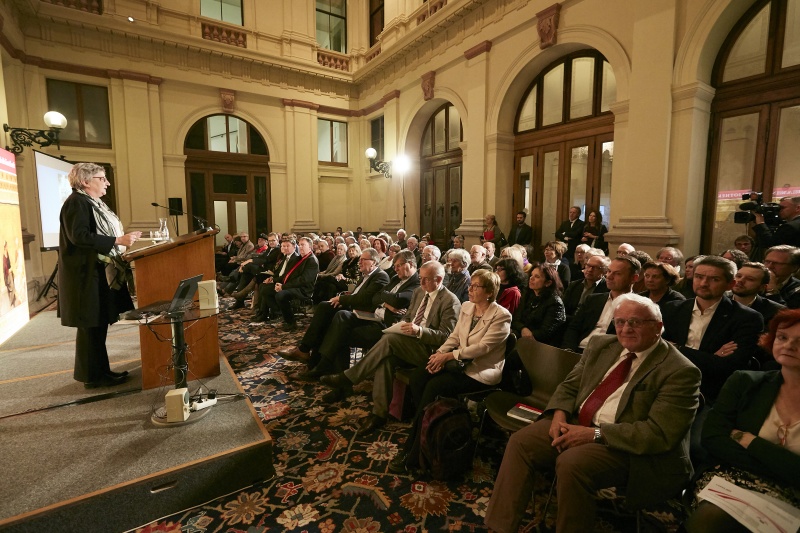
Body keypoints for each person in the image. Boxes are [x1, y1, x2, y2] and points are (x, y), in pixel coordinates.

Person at [485, 294, 702, 533]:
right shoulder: (602, 345)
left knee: (572, 463)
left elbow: (658, 434)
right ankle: (500, 526)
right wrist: (559, 414)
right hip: (579, 422)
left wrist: (594, 434)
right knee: (521, 441)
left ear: (658, 327)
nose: (625, 329)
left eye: (635, 322)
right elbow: (569, 386)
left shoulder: (680, 371)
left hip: (627, 445)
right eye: (620, 321)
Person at [682, 308, 800, 532]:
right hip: (731, 478)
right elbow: (713, 438)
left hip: (792, 495)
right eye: (783, 337)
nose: (788, 346)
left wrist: (752, 442)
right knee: (713, 517)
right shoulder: (746, 382)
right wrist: (784, 465)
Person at [389, 269, 512, 472]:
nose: (469, 289)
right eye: (470, 284)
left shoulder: (501, 316)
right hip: (459, 363)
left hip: (480, 371)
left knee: (434, 387)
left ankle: (412, 451)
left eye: (475, 286)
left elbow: (482, 348)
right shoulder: (467, 307)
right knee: (420, 376)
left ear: (489, 292)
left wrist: (449, 356)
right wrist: (438, 354)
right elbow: (454, 337)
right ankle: (429, 424)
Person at [319, 261, 461, 435]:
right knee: (384, 359)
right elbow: (408, 316)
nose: (421, 283)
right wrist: (402, 325)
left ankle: (350, 377)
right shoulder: (419, 292)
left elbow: (446, 337)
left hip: (430, 350)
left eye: (425, 280)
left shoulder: (450, 301)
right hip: (408, 342)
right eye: (420, 278)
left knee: (389, 340)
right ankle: (378, 414)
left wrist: (420, 331)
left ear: (438, 279)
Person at [58, 163, 141, 389]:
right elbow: (79, 236)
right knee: (90, 327)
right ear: (86, 181)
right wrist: (117, 241)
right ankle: (93, 377)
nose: (107, 182)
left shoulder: (91, 203)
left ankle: (100, 371)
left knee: (97, 326)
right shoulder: (77, 203)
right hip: (85, 277)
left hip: (96, 273)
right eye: (102, 178)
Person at [278, 247, 390, 377]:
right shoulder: (365, 276)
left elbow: (365, 299)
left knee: (334, 318)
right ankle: (307, 354)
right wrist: (343, 299)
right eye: (360, 260)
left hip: (365, 316)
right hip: (354, 310)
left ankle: (317, 364)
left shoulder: (380, 276)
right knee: (325, 307)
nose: (359, 262)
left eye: (363, 260)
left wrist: (342, 299)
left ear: (374, 262)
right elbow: (356, 295)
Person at [510, 264, 566, 345]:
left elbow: (545, 332)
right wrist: (523, 328)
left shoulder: (555, 303)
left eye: (537, 277)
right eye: (531, 275)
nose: (531, 278)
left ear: (548, 283)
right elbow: (515, 320)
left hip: (541, 344)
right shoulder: (527, 295)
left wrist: (524, 332)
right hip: (522, 336)